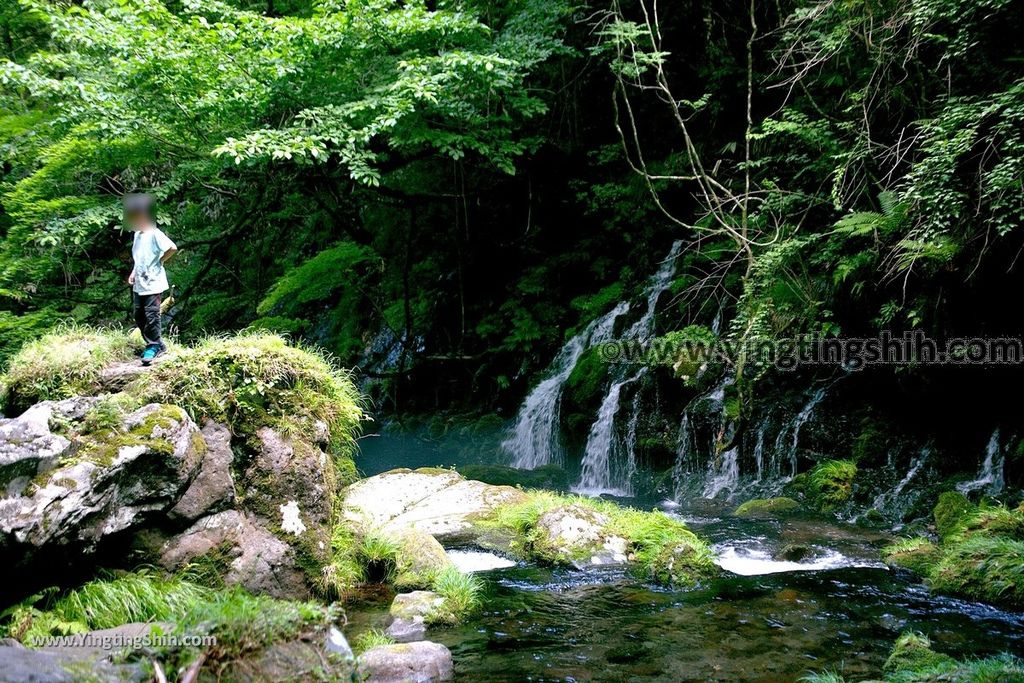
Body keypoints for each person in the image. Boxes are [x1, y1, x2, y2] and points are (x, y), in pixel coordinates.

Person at [124, 193, 178, 365]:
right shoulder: (137, 235)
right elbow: (139, 258)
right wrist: (133, 272)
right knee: (139, 315)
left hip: (153, 283)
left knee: (152, 314)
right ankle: (157, 344)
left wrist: (161, 260)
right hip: (140, 282)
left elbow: (172, 247)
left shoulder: (154, 233)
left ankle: (153, 346)